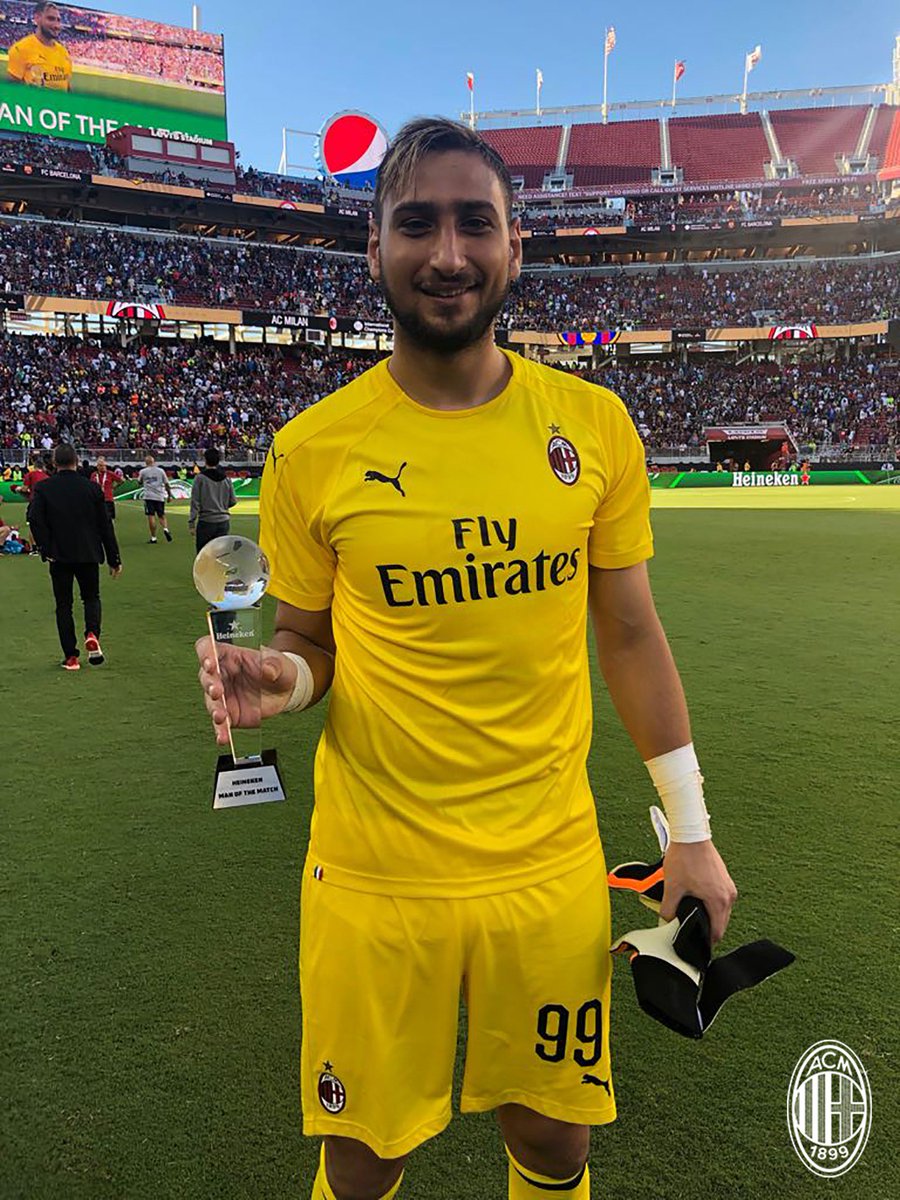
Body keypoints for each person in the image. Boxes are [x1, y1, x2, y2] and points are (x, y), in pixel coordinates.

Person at [196, 118, 736, 1200]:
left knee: (554, 1142)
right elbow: (307, 644)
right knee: (362, 1157)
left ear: (514, 247)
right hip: (372, 880)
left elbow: (628, 633)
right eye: (417, 224)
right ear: (375, 250)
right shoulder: (312, 450)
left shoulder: (593, 425)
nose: (447, 253)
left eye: (474, 223)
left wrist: (693, 834)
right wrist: (282, 679)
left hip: (546, 873)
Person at [28, 442, 122, 670]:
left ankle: (71, 657)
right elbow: (104, 526)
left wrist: (46, 549)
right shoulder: (91, 489)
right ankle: (92, 632)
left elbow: (35, 520)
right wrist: (114, 558)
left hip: (59, 555)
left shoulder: (44, 488)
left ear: (53, 463)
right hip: (89, 552)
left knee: (64, 605)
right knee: (91, 597)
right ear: (76, 462)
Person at [6, 2, 73, 91]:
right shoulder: (20, 49)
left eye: (58, 20)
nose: (56, 25)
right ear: (37, 18)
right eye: (51, 19)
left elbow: (66, 87)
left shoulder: (63, 52)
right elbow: (10, 91)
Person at [188, 447, 237, 552]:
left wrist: (191, 522)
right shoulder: (226, 479)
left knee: (204, 554)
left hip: (206, 521)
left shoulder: (200, 478)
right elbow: (233, 501)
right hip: (223, 522)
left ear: (205, 460)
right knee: (220, 554)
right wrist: (221, 505)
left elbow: (195, 502)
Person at [138, 454, 173, 543]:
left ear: (146, 463)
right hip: (159, 496)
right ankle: (165, 529)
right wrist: (169, 495)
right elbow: (167, 484)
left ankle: (153, 537)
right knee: (161, 515)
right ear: (154, 462)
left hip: (149, 496)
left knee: (151, 515)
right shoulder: (161, 471)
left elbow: (139, 482)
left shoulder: (143, 471)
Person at [90, 456, 120, 524]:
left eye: (104, 465)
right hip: (97, 500)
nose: (103, 467)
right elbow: (91, 485)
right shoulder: (94, 475)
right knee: (97, 519)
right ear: (97, 466)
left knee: (110, 520)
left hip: (108, 499)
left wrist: (114, 487)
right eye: (100, 465)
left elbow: (121, 480)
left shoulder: (110, 473)